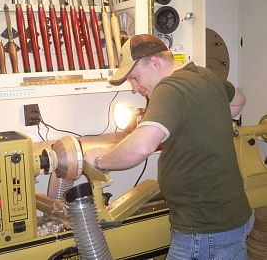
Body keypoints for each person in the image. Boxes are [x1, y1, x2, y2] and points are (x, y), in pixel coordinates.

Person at [84, 34, 252, 259]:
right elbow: (238, 100)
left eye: (135, 78)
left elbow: (143, 147)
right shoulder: (204, 74)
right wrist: (197, 122)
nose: (134, 88)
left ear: (154, 63)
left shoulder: (169, 87)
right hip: (228, 218)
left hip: (204, 230)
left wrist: (99, 160)